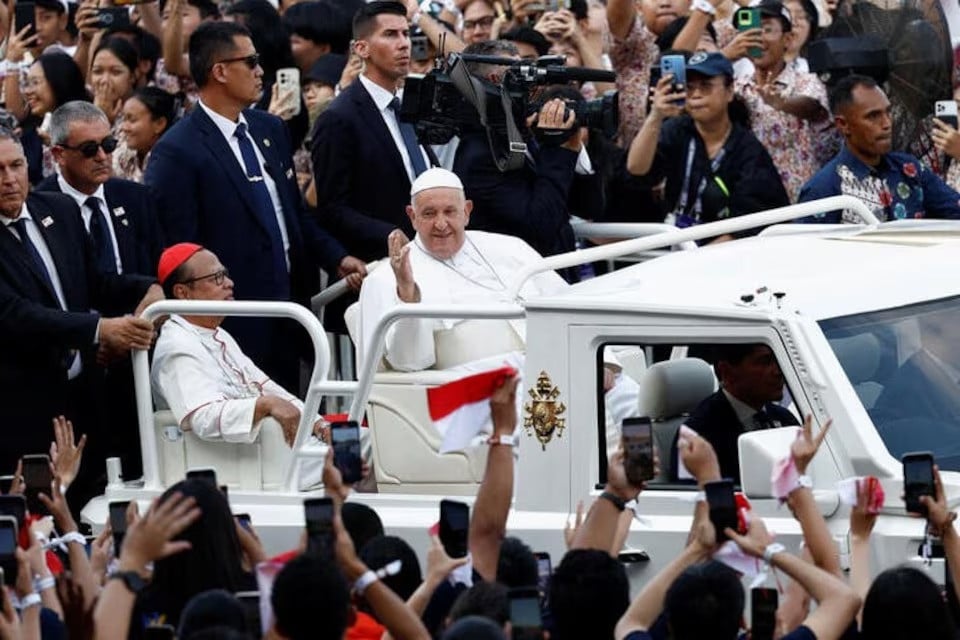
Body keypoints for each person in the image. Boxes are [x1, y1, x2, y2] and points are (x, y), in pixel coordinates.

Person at [145, 21, 365, 392]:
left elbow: (292, 214)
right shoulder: (176, 151)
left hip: (292, 308)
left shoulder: (269, 129)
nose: (261, 71)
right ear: (220, 71)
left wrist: (337, 258)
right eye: (250, 62)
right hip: (234, 321)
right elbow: (179, 247)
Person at [0, 127, 162, 503]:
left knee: (96, 505)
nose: (9, 180)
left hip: (85, 399)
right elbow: (16, 315)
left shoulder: (57, 209)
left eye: (16, 166)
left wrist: (146, 288)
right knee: (39, 515)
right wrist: (99, 329)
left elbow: (94, 282)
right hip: (22, 411)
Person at [357, 168, 567, 372]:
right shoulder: (384, 279)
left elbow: (565, 304)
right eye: (429, 214)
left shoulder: (512, 248)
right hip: (469, 393)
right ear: (412, 216)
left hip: (546, 372)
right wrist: (407, 292)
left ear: (466, 212)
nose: (441, 224)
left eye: (450, 212)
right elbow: (408, 363)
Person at [151, 243, 327, 450]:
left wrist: (318, 423)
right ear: (182, 292)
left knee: (360, 443)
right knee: (363, 453)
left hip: (269, 451)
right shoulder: (177, 345)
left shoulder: (219, 334)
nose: (229, 283)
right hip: (237, 464)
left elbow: (266, 387)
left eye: (225, 275)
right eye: (216, 278)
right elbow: (204, 418)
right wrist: (264, 405)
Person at [627, 52, 789, 237]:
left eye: (706, 86)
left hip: (727, 253)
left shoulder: (748, 150)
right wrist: (656, 115)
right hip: (677, 241)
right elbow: (636, 168)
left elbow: (746, 227)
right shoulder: (676, 130)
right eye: (689, 87)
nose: (696, 95)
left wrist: (694, 259)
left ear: (729, 92)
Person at [452, 40, 582, 268]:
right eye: (517, 76)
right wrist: (557, 153)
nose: (529, 85)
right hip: (520, 285)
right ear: (494, 82)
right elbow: (539, 227)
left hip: (555, 275)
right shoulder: (481, 155)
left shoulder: (521, 132)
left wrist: (571, 145)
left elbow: (589, 206)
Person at [799, 75, 960, 222]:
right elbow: (805, 250)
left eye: (887, 112)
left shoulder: (909, 169)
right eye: (873, 116)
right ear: (843, 125)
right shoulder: (824, 188)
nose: (887, 124)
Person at [733, 0, 828, 202]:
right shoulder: (735, 88)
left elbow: (813, 108)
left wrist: (781, 103)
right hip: (751, 206)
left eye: (767, 30)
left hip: (799, 203)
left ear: (788, 38)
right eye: (752, 31)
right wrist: (727, 54)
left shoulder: (806, 81)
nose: (758, 38)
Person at [669, 344, 798, 483]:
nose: (779, 371)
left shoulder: (784, 419)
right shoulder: (696, 436)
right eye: (765, 362)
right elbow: (695, 500)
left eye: (779, 360)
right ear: (727, 372)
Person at [3, 51, 90, 185]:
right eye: (27, 83)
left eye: (35, 82)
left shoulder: (88, 126)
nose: (28, 91)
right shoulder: (29, 132)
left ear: (59, 81)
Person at [115, 86, 181, 182]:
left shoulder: (171, 163)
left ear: (159, 124)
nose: (124, 127)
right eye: (124, 119)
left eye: (132, 120)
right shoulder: (124, 153)